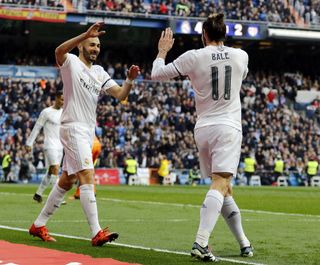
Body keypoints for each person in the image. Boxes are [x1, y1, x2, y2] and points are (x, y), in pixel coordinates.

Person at [151, 14, 253, 261]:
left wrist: (162, 52)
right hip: (228, 126)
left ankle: (244, 243)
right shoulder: (241, 56)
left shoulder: (193, 57)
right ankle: (201, 243)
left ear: (204, 34)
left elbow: (156, 74)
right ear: (224, 35)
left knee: (223, 188)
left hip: (204, 128)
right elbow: (242, 76)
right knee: (220, 183)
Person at [29, 22, 140, 246]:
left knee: (67, 180)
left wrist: (129, 80)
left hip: (87, 131)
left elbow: (120, 95)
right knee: (87, 175)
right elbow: (58, 51)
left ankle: (39, 224)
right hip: (73, 128)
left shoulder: (99, 72)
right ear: (81, 46)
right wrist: (83, 34)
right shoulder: (70, 62)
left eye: (98, 45)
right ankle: (96, 231)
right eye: (91, 44)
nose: (95, 48)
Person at [26, 91, 64, 203]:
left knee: (51, 171)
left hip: (60, 146)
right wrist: (29, 143)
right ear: (56, 98)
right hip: (49, 145)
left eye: (64, 100)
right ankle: (56, 197)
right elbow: (37, 127)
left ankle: (38, 194)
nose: (63, 102)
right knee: (56, 169)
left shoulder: (64, 112)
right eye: (61, 99)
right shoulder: (46, 112)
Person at [73, 135, 101, 199]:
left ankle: (78, 194)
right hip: (97, 144)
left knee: (83, 170)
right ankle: (93, 191)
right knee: (90, 170)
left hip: (90, 145)